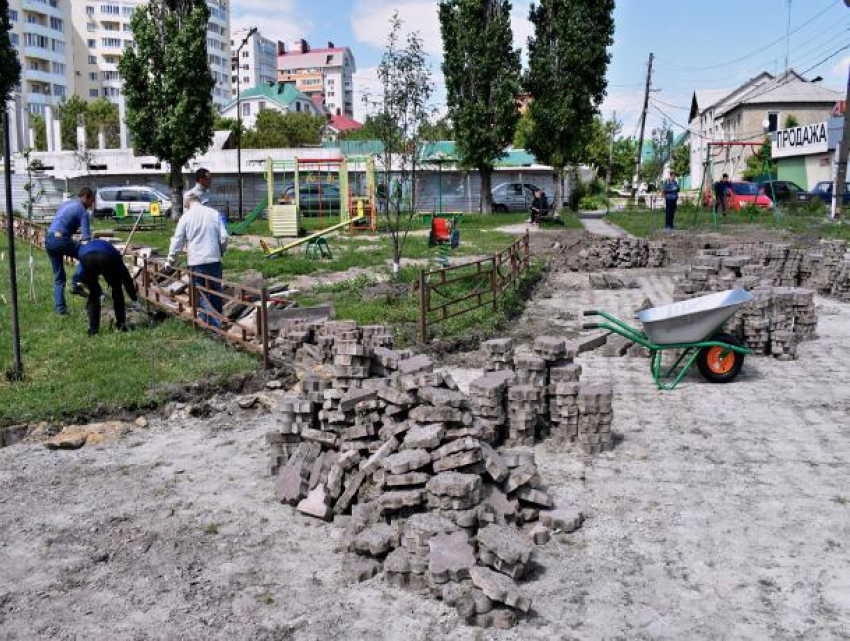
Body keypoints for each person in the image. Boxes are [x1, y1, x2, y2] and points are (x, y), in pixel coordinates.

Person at [165, 192, 228, 327]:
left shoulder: (186, 217)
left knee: (201, 294)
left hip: (196, 261)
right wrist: (220, 251)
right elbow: (224, 238)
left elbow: (177, 240)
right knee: (215, 291)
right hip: (214, 259)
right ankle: (217, 321)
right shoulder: (214, 213)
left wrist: (170, 261)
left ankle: (212, 325)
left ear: (186, 203)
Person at [45, 187, 94, 315]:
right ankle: (75, 283)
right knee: (86, 254)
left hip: (49, 239)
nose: (92, 204)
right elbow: (86, 239)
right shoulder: (83, 211)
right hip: (61, 239)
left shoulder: (67, 203)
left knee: (59, 277)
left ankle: (60, 310)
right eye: (91, 201)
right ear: (86, 198)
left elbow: (62, 222)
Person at [77, 239, 139, 336]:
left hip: (86, 259)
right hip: (106, 258)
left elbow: (80, 272)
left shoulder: (85, 248)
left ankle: (93, 330)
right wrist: (134, 299)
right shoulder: (114, 253)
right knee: (117, 288)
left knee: (94, 294)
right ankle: (121, 325)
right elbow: (126, 278)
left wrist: (78, 283)